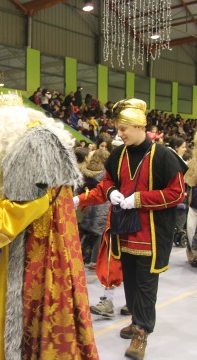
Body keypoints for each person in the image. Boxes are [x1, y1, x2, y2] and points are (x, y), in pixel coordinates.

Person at [0, 93, 98, 359]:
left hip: (42, 249)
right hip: (55, 242)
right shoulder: (41, 138)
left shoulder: (31, 145)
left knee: (35, 320)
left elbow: (30, 205)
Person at [77, 98, 186, 360]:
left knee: (147, 286)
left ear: (140, 126)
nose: (120, 133)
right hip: (124, 232)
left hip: (151, 236)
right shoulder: (118, 154)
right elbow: (108, 184)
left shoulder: (163, 155)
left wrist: (138, 199)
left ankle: (142, 333)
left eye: (124, 128)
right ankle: (137, 320)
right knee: (131, 283)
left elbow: (177, 193)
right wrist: (112, 192)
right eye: (118, 128)